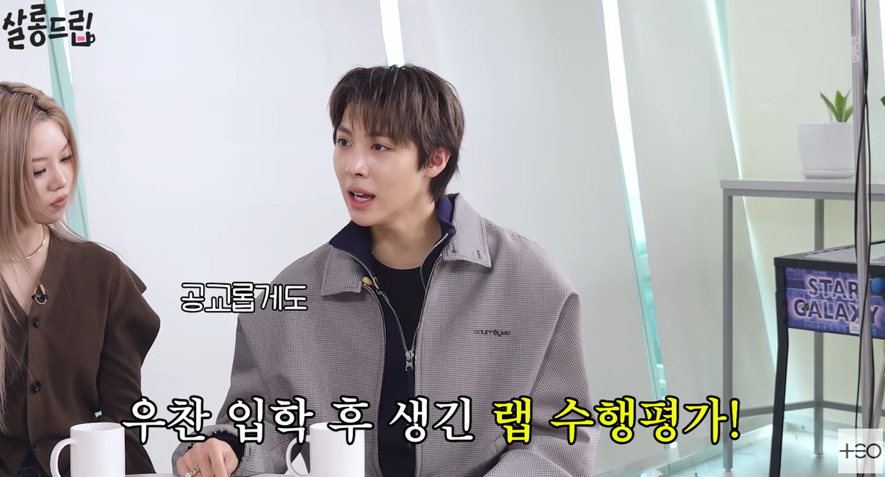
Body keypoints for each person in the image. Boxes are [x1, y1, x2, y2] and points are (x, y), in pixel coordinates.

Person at [172, 64, 599, 477]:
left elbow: (560, 436)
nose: (353, 166)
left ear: (435, 160)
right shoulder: (293, 295)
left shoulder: (529, 280)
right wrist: (224, 448)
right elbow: (256, 420)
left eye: (379, 146)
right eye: (343, 142)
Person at [0, 82, 161, 477]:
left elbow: (124, 423)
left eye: (67, 158)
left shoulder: (101, 273)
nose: (61, 180)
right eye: (38, 170)